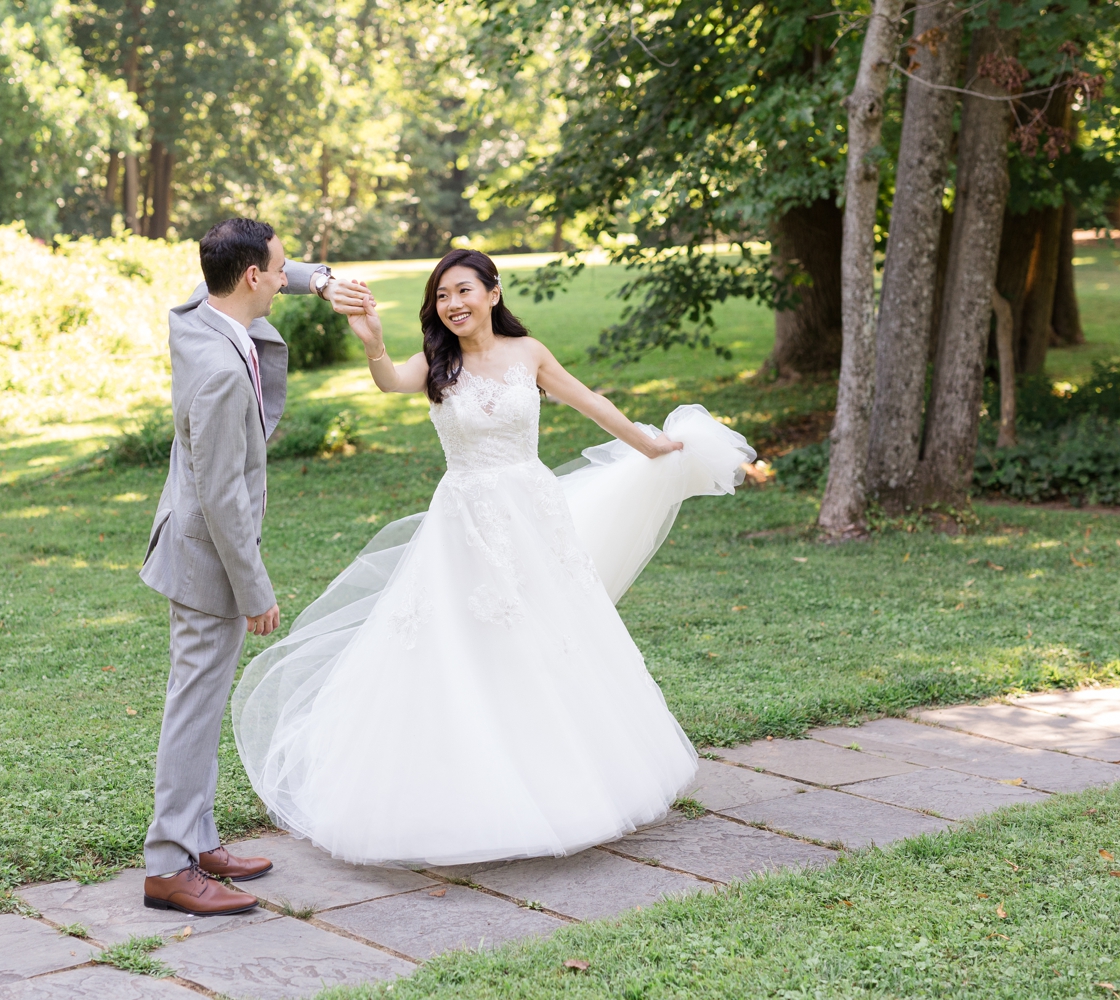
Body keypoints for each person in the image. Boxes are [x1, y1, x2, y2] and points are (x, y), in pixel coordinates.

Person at [232, 249, 755, 867]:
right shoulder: (437, 360)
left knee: (546, 639)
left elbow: (589, 401)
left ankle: (565, 782)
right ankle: (467, 786)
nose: (453, 305)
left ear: (493, 292)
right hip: (463, 520)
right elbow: (391, 382)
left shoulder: (528, 354)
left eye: (463, 291)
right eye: (443, 296)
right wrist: (372, 340)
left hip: (532, 515)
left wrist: (651, 444)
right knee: (459, 641)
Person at [137, 218, 367, 914]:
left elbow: (253, 274)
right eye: (282, 269)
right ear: (251, 278)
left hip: (197, 551)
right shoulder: (215, 373)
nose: (284, 277)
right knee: (192, 711)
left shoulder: (200, 317)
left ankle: (199, 837)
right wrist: (255, 590)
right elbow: (220, 497)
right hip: (208, 562)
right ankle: (170, 866)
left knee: (199, 708)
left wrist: (318, 280)